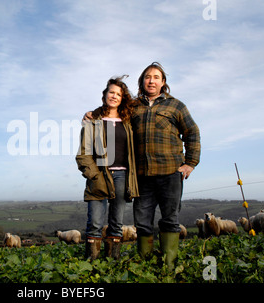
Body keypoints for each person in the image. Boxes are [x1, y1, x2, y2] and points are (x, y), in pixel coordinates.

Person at [84, 63, 201, 270]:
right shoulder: (133, 108)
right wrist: (92, 114)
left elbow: (191, 132)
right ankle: (145, 265)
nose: (152, 80)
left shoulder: (176, 106)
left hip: (170, 173)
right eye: (148, 77)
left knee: (170, 220)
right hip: (141, 176)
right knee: (143, 222)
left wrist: (190, 163)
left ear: (163, 82)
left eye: (156, 77)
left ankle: (168, 265)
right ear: (142, 81)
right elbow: (111, 113)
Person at [76, 75, 139, 260]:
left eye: (119, 94)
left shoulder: (128, 121)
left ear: (122, 98)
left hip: (122, 176)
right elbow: (83, 154)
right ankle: (92, 263)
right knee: (95, 222)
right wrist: (94, 176)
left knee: (116, 223)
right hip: (99, 175)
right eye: (111, 92)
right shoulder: (92, 120)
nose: (114, 96)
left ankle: (113, 262)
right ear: (105, 94)